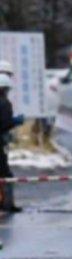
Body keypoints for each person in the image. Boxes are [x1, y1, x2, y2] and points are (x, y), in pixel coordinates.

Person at [0, 73, 25, 213]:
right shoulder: (4, 102)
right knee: (5, 174)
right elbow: (4, 124)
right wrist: (16, 121)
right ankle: (7, 204)